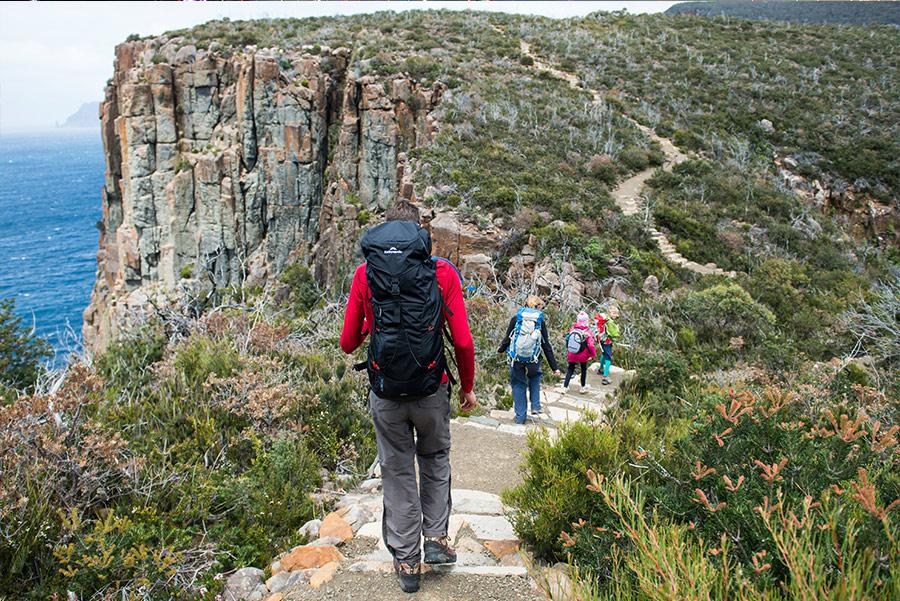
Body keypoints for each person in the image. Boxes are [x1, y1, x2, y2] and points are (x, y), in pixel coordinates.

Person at [340, 200, 477, 594]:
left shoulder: (366, 274)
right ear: (419, 232)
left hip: (386, 392)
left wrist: (372, 325)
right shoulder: (442, 272)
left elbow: (348, 343)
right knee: (434, 458)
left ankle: (406, 562)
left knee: (397, 469)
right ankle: (435, 540)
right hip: (432, 388)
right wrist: (466, 387)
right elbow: (463, 341)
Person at [497, 295, 561, 424]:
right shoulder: (539, 322)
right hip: (534, 359)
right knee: (535, 376)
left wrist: (501, 350)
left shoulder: (517, 319)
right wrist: (555, 367)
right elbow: (545, 345)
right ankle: (536, 405)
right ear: (538, 306)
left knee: (518, 384)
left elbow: (507, 338)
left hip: (517, 358)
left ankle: (520, 417)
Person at [562, 311, 597, 393]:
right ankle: (583, 387)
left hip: (572, 353)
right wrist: (592, 354)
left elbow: (568, 340)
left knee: (570, 369)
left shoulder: (573, 329)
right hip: (583, 355)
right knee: (583, 369)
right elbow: (591, 345)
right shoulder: (587, 332)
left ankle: (565, 386)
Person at [595, 305, 621, 386]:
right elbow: (615, 334)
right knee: (608, 358)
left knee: (604, 354)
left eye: (616, 313)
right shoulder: (610, 322)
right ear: (610, 313)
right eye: (614, 313)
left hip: (601, 340)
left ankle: (601, 369)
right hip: (607, 342)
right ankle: (605, 377)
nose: (616, 315)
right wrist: (617, 329)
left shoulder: (605, 319)